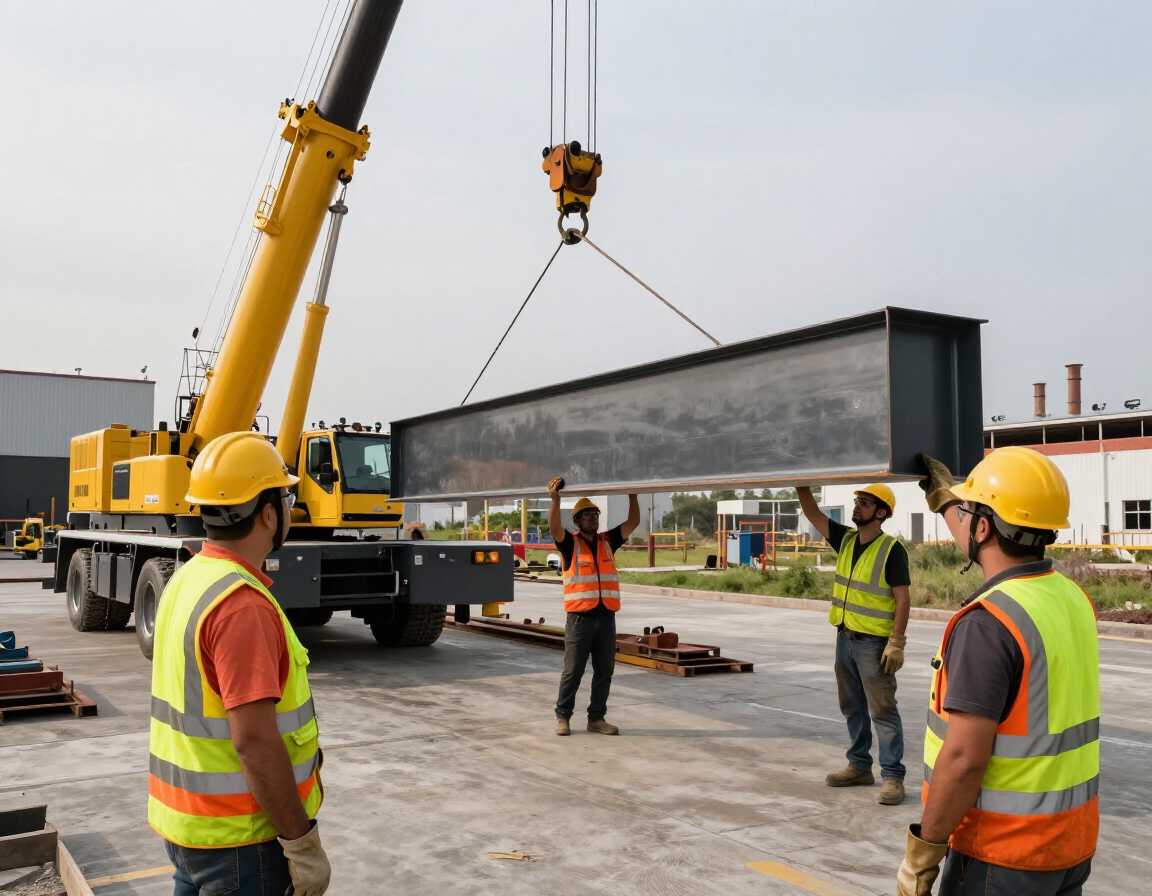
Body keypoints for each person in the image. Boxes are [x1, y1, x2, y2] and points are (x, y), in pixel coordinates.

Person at [895, 448, 1099, 896]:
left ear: (983, 526)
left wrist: (923, 852)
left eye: (968, 513)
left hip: (1001, 856)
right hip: (1068, 847)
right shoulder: (1070, 597)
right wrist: (947, 500)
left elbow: (965, 760)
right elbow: (986, 533)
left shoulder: (988, 623)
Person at [149, 432, 331, 896]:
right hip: (241, 840)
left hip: (191, 827)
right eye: (286, 497)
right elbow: (253, 742)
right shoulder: (241, 606)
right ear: (269, 512)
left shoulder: (190, 578)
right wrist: (300, 842)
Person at [797, 483, 912, 805]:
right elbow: (812, 513)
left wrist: (897, 641)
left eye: (865, 502)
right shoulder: (846, 539)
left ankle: (892, 777)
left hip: (874, 644)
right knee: (852, 707)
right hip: (844, 638)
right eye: (857, 501)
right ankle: (860, 766)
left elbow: (902, 598)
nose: (857, 506)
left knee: (883, 711)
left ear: (881, 512)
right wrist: (801, 483)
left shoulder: (891, 549)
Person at [547, 477, 640, 736]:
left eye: (595, 514)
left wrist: (632, 495)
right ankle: (562, 717)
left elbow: (633, 522)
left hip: (606, 617)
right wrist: (555, 500)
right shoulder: (569, 544)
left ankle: (596, 718)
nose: (593, 518)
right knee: (573, 671)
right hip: (580, 619)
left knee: (604, 671)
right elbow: (554, 527)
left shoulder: (608, 540)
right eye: (587, 515)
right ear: (577, 521)